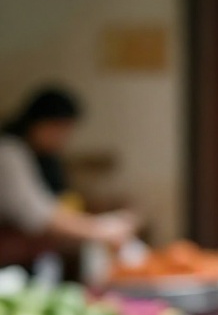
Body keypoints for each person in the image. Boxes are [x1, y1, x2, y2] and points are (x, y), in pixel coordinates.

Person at [0, 87, 137, 256]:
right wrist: (102, 229)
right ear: (40, 122)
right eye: (60, 129)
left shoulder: (44, 156)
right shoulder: (9, 153)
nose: (63, 138)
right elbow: (38, 216)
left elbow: (58, 203)